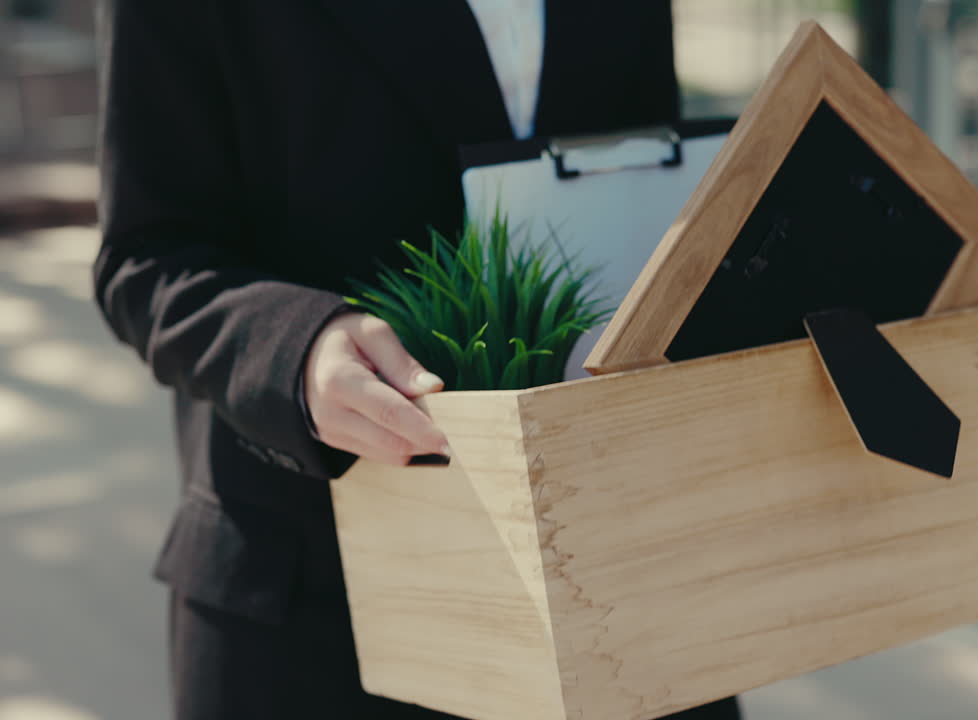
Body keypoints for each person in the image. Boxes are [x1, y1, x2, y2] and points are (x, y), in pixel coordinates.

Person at [93, 1, 742, 718]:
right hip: (319, 596)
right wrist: (296, 348)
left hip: (618, 570)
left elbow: (643, 167)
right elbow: (145, 257)